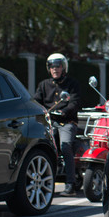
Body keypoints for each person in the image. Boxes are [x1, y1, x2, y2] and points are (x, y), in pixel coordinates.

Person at [34, 53, 82, 196]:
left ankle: (70, 184)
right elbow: (37, 101)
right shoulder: (43, 85)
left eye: (58, 66)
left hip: (66, 122)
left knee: (65, 146)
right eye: (52, 67)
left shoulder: (72, 84)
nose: (55, 69)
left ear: (63, 67)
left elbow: (75, 102)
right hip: (49, 123)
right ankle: (46, 183)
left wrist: (64, 112)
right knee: (43, 148)